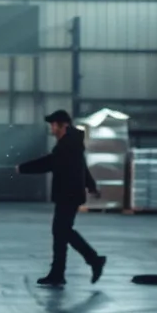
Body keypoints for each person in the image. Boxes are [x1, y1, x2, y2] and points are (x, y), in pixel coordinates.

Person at [17, 110, 107, 286]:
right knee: (61, 232)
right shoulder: (71, 143)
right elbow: (82, 166)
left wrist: (23, 168)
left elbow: (50, 162)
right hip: (68, 194)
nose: (51, 128)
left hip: (69, 194)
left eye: (53, 125)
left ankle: (93, 260)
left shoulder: (68, 145)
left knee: (62, 231)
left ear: (63, 125)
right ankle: (59, 273)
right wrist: (91, 185)